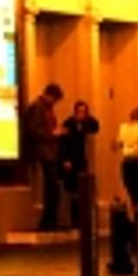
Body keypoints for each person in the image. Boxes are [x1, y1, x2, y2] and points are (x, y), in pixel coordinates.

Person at [25, 81, 65, 230]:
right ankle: (48, 220)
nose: (55, 103)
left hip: (50, 151)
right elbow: (32, 130)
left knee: (53, 187)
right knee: (51, 187)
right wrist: (52, 134)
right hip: (43, 152)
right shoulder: (37, 108)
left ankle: (51, 219)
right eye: (55, 99)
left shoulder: (47, 108)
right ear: (49, 95)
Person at [57, 99, 102, 230]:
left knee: (81, 190)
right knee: (71, 191)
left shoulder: (85, 124)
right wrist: (65, 159)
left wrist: (87, 119)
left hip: (81, 160)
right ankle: (73, 219)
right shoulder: (68, 124)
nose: (82, 114)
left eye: (84, 112)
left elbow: (96, 127)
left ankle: (81, 220)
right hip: (70, 159)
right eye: (80, 111)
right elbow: (63, 142)